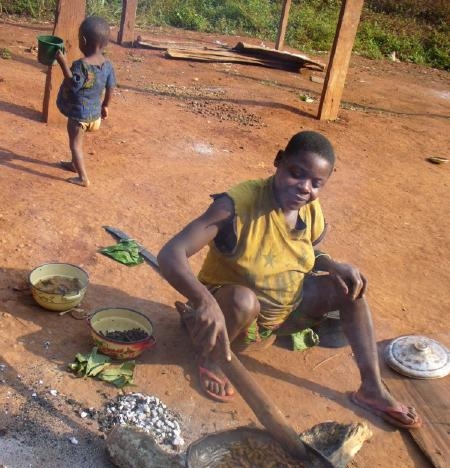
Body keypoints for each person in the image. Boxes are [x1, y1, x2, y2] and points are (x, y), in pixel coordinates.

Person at [158, 131, 421, 429]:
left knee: (350, 290)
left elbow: (304, 252)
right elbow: (170, 253)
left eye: (315, 183)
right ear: (279, 160)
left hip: (282, 318)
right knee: (242, 300)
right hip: (230, 318)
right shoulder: (236, 206)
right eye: (296, 174)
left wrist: (333, 265)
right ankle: (212, 358)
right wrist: (205, 302)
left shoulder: (309, 208)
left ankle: (371, 388)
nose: (304, 188)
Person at [55, 15, 116, 187]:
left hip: (79, 117)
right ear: (106, 43)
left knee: (75, 145)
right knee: (77, 144)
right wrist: (105, 106)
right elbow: (111, 87)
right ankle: (74, 164)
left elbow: (73, 85)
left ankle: (83, 178)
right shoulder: (108, 65)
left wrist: (63, 63)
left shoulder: (80, 65)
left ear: (82, 40)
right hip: (95, 116)